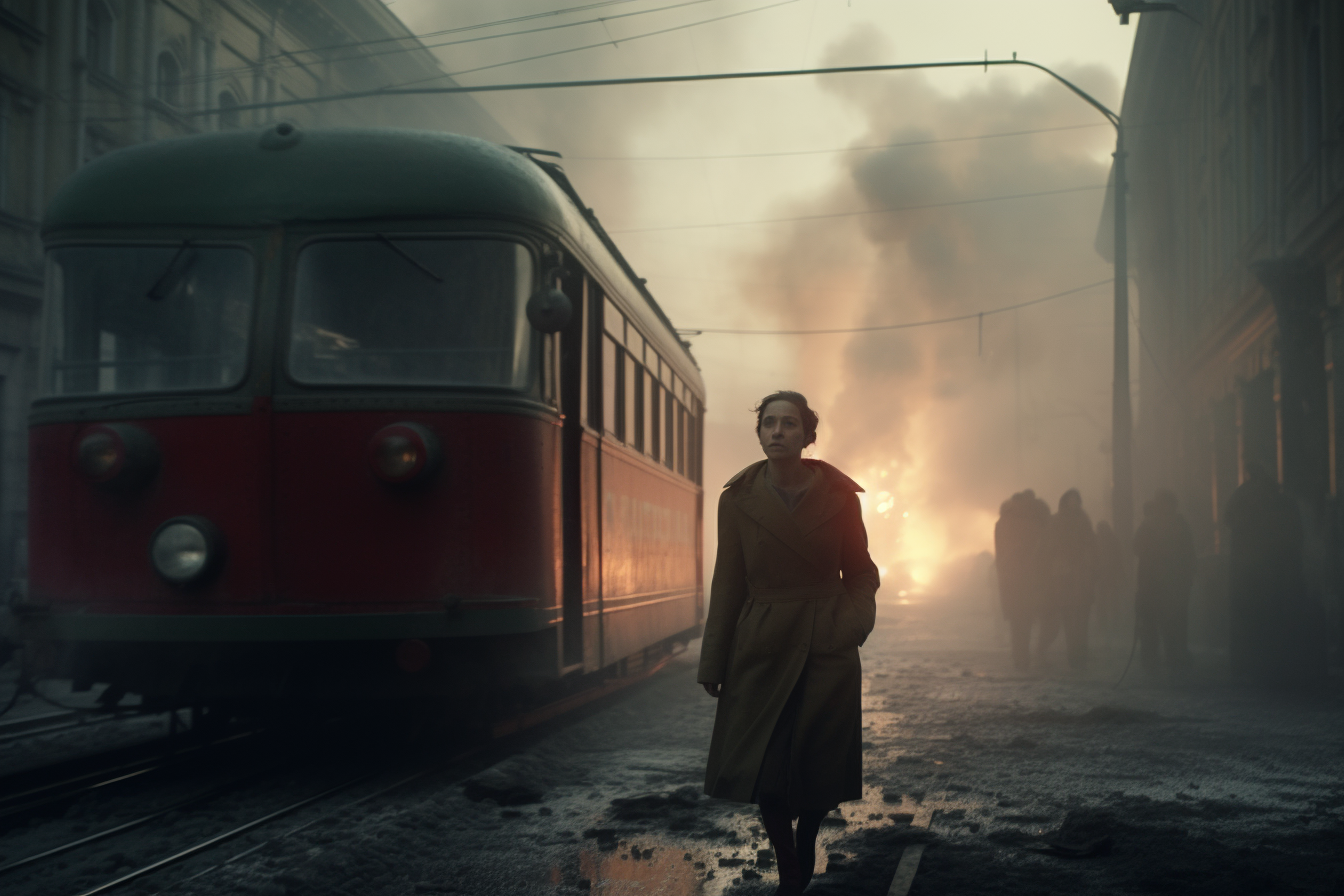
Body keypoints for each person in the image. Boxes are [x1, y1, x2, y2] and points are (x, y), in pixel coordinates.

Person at [698, 391, 880, 895]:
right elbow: (728, 581)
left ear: (808, 436)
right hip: (762, 647)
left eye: (789, 424)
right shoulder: (735, 500)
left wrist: (852, 622)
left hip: (828, 644)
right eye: (769, 424)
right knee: (766, 769)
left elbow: (862, 572)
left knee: (818, 765)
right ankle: (791, 867)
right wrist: (714, 659)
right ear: (759, 434)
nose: (778, 432)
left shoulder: (841, 498)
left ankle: (809, 837)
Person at [1132, 489, 1196, 679]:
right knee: (1153, 624)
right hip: (1153, 583)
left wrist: (1187, 576)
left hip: (1172, 584)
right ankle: (1156, 661)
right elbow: (1137, 548)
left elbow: (1188, 553)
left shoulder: (1178, 524)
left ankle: (1173, 660)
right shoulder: (1150, 525)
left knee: (1172, 624)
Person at [1037, 489, 1097, 672]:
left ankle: (1079, 656)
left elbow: (1092, 546)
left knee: (1080, 621)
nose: (1073, 504)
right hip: (1062, 578)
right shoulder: (1056, 522)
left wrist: (1090, 568)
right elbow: (1048, 548)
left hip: (1080, 577)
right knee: (1065, 620)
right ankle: (1067, 655)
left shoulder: (1084, 521)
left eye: (1076, 501)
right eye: (1070, 501)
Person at [994, 490, 1049, 671]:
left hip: (1013, 579)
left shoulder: (1005, 523)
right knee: (1023, 621)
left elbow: (1002, 553)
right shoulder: (1029, 523)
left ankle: (1021, 658)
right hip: (1024, 579)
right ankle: (1022, 657)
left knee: (1019, 622)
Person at [1093, 519, 1126, 643]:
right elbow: (1119, 558)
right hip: (1107, 575)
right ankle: (1112, 625)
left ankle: (1104, 625)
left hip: (1103, 575)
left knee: (1105, 602)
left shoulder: (1096, 540)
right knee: (1111, 602)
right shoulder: (1113, 540)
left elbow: (1117, 558)